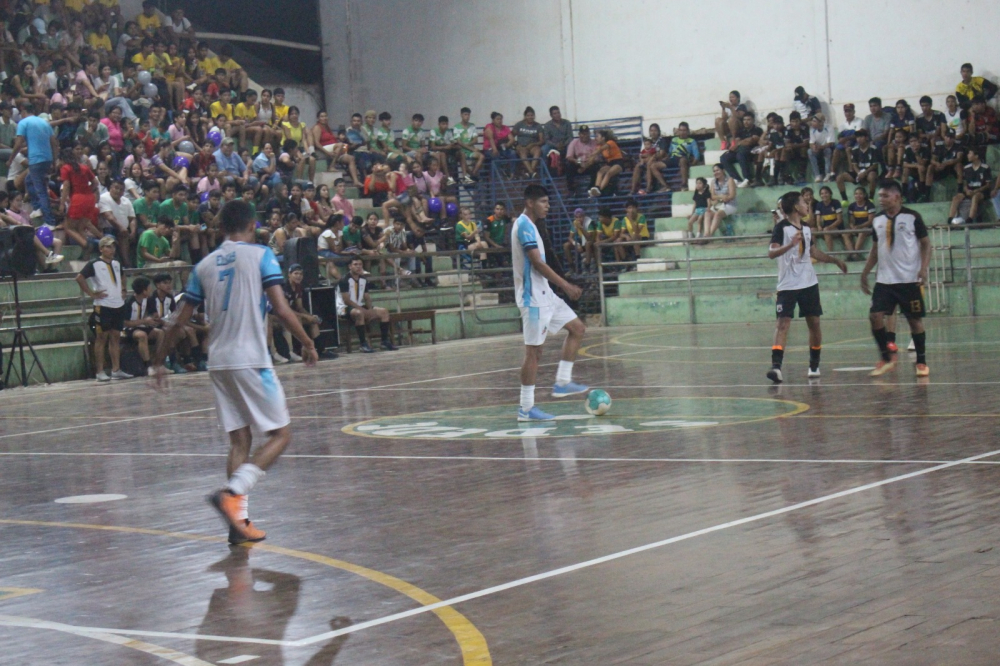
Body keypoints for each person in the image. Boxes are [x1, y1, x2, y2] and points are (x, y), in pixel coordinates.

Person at [152, 199, 318, 545]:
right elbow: (282, 309)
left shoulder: (203, 265)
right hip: (250, 359)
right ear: (252, 225)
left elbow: (178, 321)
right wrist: (306, 341)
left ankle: (237, 524)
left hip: (219, 361)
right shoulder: (261, 255)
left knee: (240, 440)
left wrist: (158, 362)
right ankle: (233, 493)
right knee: (281, 435)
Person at [512, 184, 588, 421]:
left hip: (545, 294)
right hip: (533, 299)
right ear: (530, 203)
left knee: (577, 328)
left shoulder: (533, 225)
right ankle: (525, 408)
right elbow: (537, 263)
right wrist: (565, 285)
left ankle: (562, 382)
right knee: (534, 352)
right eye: (543, 202)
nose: (547, 206)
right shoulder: (524, 225)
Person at [766, 191, 847, 383]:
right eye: (804, 202)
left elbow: (812, 251)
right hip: (787, 285)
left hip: (808, 283)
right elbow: (771, 252)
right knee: (782, 324)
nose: (807, 204)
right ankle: (776, 367)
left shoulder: (807, 228)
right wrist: (790, 245)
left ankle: (814, 364)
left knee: (814, 324)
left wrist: (834, 260)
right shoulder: (782, 228)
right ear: (796, 206)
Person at [861, 179, 931, 377]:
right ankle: (886, 356)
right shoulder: (877, 220)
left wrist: (923, 268)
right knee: (875, 316)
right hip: (884, 280)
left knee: (914, 320)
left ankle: (922, 362)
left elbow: (926, 244)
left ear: (897, 197)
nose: (880, 199)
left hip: (908, 280)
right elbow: (875, 249)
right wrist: (865, 272)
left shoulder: (912, 217)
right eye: (879, 195)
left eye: (885, 195)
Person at [76, 236, 133, 381]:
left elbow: (123, 275)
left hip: (118, 304)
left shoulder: (116, 263)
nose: (111, 249)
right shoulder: (94, 263)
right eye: (108, 247)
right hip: (103, 305)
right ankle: (100, 371)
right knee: (101, 338)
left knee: (115, 337)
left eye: (113, 247)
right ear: (101, 249)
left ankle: (116, 369)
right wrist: (91, 293)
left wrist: (124, 288)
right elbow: (80, 277)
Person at [10, 102, 57, 228]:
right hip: (47, 159)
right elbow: (54, 143)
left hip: (36, 160)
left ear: (24, 111)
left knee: (41, 190)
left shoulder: (23, 123)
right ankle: (37, 207)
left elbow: (18, 143)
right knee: (28, 181)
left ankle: (49, 221)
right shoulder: (44, 123)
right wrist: (54, 160)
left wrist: (11, 159)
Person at [339, 256, 397, 353]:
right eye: (355, 264)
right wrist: (362, 310)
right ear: (350, 266)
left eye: (360, 264)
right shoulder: (344, 280)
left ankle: (384, 342)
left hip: (360, 305)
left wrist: (369, 309)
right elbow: (346, 300)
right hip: (345, 308)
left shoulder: (363, 279)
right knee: (359, 313)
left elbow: (366, 297)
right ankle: (363, 344)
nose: (358, 267)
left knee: (384, 312)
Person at [836, 129, 882, 202]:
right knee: (839, 177)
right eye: (857, 137)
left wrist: (864, 173)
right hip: (858, 172)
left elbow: (875, 165)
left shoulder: (873, 148)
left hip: (869, 171)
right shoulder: (855, 149)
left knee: (872, 176)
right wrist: (859, 173)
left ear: (866, 138)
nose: (859, 139)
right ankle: (844, 199)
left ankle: (871, 198)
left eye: (861, 137)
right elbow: (854, 165)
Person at [950, 149, 992, 225]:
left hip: (981, 191)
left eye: (970, 153)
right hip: (970, 190)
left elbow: (988, 185)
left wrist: (977, 190)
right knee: (956, 198)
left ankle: (970, 220)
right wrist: (966, 190)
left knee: (975, 197)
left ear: (976, 156)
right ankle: (950, 219)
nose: (968, 155)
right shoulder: (967, 168)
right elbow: (965, 184)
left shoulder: (985, 168)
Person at [702, 164, 737, 240]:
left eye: (717, 170)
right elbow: (712, 196)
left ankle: (709, 237)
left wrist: (725, 198)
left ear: (723, 171)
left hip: (730, 205)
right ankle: (706, 234)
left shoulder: (730, 180)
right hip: (718, 204)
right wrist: (721, 196)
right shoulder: (713, 182)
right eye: (714, 171)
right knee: (707, 213)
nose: (715, 172)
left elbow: (732, 195)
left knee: (718, 214)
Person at [589, 129, 624, 197]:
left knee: (608, 173)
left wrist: (594, 153)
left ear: (603, 138)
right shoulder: (598, 146)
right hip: (610, 163)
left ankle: (600, 190)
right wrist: (588, 162)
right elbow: (592, 158)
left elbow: (601, 149)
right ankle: (597, 188)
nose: (595, 138)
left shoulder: (611, 142)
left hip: (618, 162)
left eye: (597, 136)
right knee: (600, 172)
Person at [512, 106, 544, 177]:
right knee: (522, 152)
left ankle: (529, 172)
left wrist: (533, 144)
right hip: (521, 146)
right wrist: (516, 144)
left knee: (538, 151)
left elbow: (541, 141)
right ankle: (532, 172)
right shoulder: (519, 124)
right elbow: (511, 136)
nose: (530, 117)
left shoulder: (538, 126)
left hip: (533, 146)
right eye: (528, 115)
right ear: (525, 116)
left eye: (532, 115)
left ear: (534, 116)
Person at [565, 124, 599, 192]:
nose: (585, 136)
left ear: (589, 134)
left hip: (589, 164)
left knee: (596, 167)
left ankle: (591, 189)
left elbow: (596, 158)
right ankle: (572, 190)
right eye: (583, 134)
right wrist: (579, 163)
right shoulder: (574, 142)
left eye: (586, 134)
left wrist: (585, 166)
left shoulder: (594, 143)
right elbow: (569, 156)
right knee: (568, 166)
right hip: (578, 163)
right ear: (579, 134)